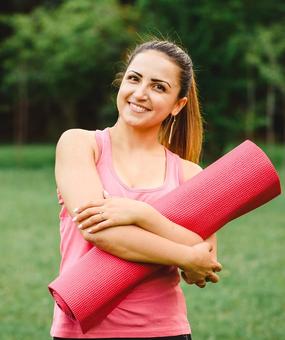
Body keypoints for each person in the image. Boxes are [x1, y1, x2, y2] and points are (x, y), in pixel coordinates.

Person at [51, 39, 222, 340]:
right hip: (82, 329)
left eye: (159, 87)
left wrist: (143, 215)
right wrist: (185, 254)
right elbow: (98, 231)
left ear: (177, 105)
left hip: (164, 331)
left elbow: (204, 261)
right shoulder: (80, 145)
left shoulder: (190, 174)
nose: (140, 93)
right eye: (134, 78)